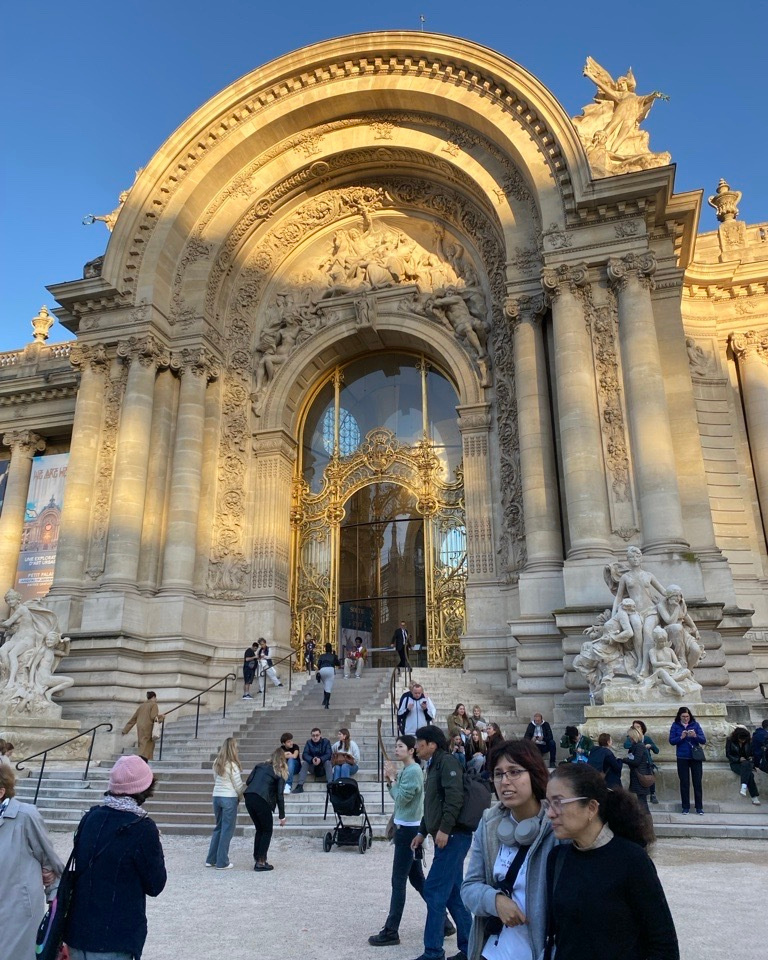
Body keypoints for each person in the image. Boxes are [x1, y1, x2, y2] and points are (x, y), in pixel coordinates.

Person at [543, 763, 679, 960]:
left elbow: (663, 943)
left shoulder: (631, 860)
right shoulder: (557, 858)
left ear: (591, 808)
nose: (550, 813)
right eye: (548, 804)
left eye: (558, 802)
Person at [64, 755, 167, 960]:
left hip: (78, 932)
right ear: (146, 788)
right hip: (115, 935)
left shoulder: (90, 817)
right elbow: (155, 885)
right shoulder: (142, 828)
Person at [462, 739, 556, 960]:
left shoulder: (556, 826)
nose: (505, 781)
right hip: (493, 951)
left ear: (534, 773)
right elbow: (469, 888)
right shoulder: (489, 822)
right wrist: (495, 901)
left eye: (514, 772)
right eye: (498, 774)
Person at [411, 724, 473, 960]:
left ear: (432, 744)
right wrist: (422, 832)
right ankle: (470, 948)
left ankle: (433, 952)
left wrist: (445, 829)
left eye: (420, 744)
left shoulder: (446, 762)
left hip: (452, 836)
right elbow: (433, 805)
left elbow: (454, 798)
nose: (416, 748)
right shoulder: (434, 765)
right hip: (446, 837)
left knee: (435, 890)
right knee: (453, 893)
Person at [0, 764, 64, 960]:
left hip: (17, 913)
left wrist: (55, 907)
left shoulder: (25, 816)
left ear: (1, 792)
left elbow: (50, 861)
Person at [370, 734, 427, 946]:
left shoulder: (413, 771)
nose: (396, 749)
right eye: (396, 746)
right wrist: (390, 779)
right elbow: (398, 796)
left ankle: (391, 930)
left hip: (408, 831)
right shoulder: (408, 770)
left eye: (401, 746)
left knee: (398, 881)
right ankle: (444, 922)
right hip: (407, 827)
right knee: (417, 880)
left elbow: (401, 799)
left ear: (411, 750)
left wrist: (392, 778)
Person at [244, 747, 287, 871]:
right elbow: (280, 795)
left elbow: (248, 781)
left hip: (249, 797)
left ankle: (258, 857)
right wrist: (282, 816)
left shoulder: (259, 766)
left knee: (260, 829)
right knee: (267, 830)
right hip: (262, 799)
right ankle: (261, 862)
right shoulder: (279, 772)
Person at [206, 737, 244, 869]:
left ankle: (211, 859)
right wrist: (240, 796)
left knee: (219, 827)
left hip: (217, 796)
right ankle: (222, 861)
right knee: (227, 829)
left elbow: (215, 778)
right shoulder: (233, 765)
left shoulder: (217, 762)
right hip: (229, 797)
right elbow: (238, 784)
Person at [669, 706, 706, 815]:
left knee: (697, 782)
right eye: (683, 716)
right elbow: (671, 741)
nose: (686, 718)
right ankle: (685, 807)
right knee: (684, 783)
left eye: (687, 716)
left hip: (695, 757)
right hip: (682, 757)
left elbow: (703, 740)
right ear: (679, 717)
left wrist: (695, 736)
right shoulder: (675, 725)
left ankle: (699, 807)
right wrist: (681, 737)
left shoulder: (695, 725)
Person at [623, 719, 660, 804]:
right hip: (637, 767)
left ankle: (652, 794)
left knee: (648, 777)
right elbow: (626, 745)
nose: (636, 729)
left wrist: (651, 746)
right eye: (634, 727)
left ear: (642, 728)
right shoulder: (631, 739)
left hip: (646, 763)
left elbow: (657, 750)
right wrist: (634, 742)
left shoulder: (646, 738)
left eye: (638, 727)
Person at [122, 690, 164, 761]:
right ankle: (142, 763)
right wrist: (162, 717)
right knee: (147, 748)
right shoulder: (154, 705)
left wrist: (125, 730)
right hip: (148, 727)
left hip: (140, 727)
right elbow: (153, 717)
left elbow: (134, 718)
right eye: (155, 698)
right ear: (153, 697)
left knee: (142, 745)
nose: (156, 699)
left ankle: (141, 761)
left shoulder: (142, 706)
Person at [725, 726, 761, 805]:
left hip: (747, 763)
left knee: (746, 764)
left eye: (744, 739)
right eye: (741, 739)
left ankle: (744, 786)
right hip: (735, 763)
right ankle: (754, 797)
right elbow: (728, 754)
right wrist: (738, 759)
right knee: (750, 775)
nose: (742, 741)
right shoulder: (730, 741)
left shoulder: (748, 741)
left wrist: (751, 760)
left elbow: (752, 754)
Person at [293, 727, 333, 793]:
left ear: (320, 735)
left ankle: (330, 785)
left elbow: (328, 754)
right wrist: (312, 760)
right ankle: (300, 785)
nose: (315, 737)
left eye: (317, 735)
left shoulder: (326, 742)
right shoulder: (309, 742)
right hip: (313, 766)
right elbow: (305, 754)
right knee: (305, 763)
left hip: (323, 767)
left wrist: (320, 759)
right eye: (313, 735)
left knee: (328, 762)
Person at [624, 727, 653, 813]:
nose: (629, 738)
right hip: (637, 776)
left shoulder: (639, 746)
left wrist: (625, 760)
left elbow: (636, 761)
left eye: (629, 736)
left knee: (642, 802)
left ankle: (646, 820)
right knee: (640, 801)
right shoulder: (636, 746)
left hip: (640, 776)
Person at [317, 642, 340, 709]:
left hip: (322, 670)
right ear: (331, 649)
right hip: (330, 670)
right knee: (328, 687)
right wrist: (335, 656)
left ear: (325, 649)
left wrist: (320, 670)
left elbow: (318, 665)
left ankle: (324, 700)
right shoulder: (333, 656)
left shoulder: (322, 656)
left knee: (326, 684)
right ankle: (327, 704)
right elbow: (338, 664)